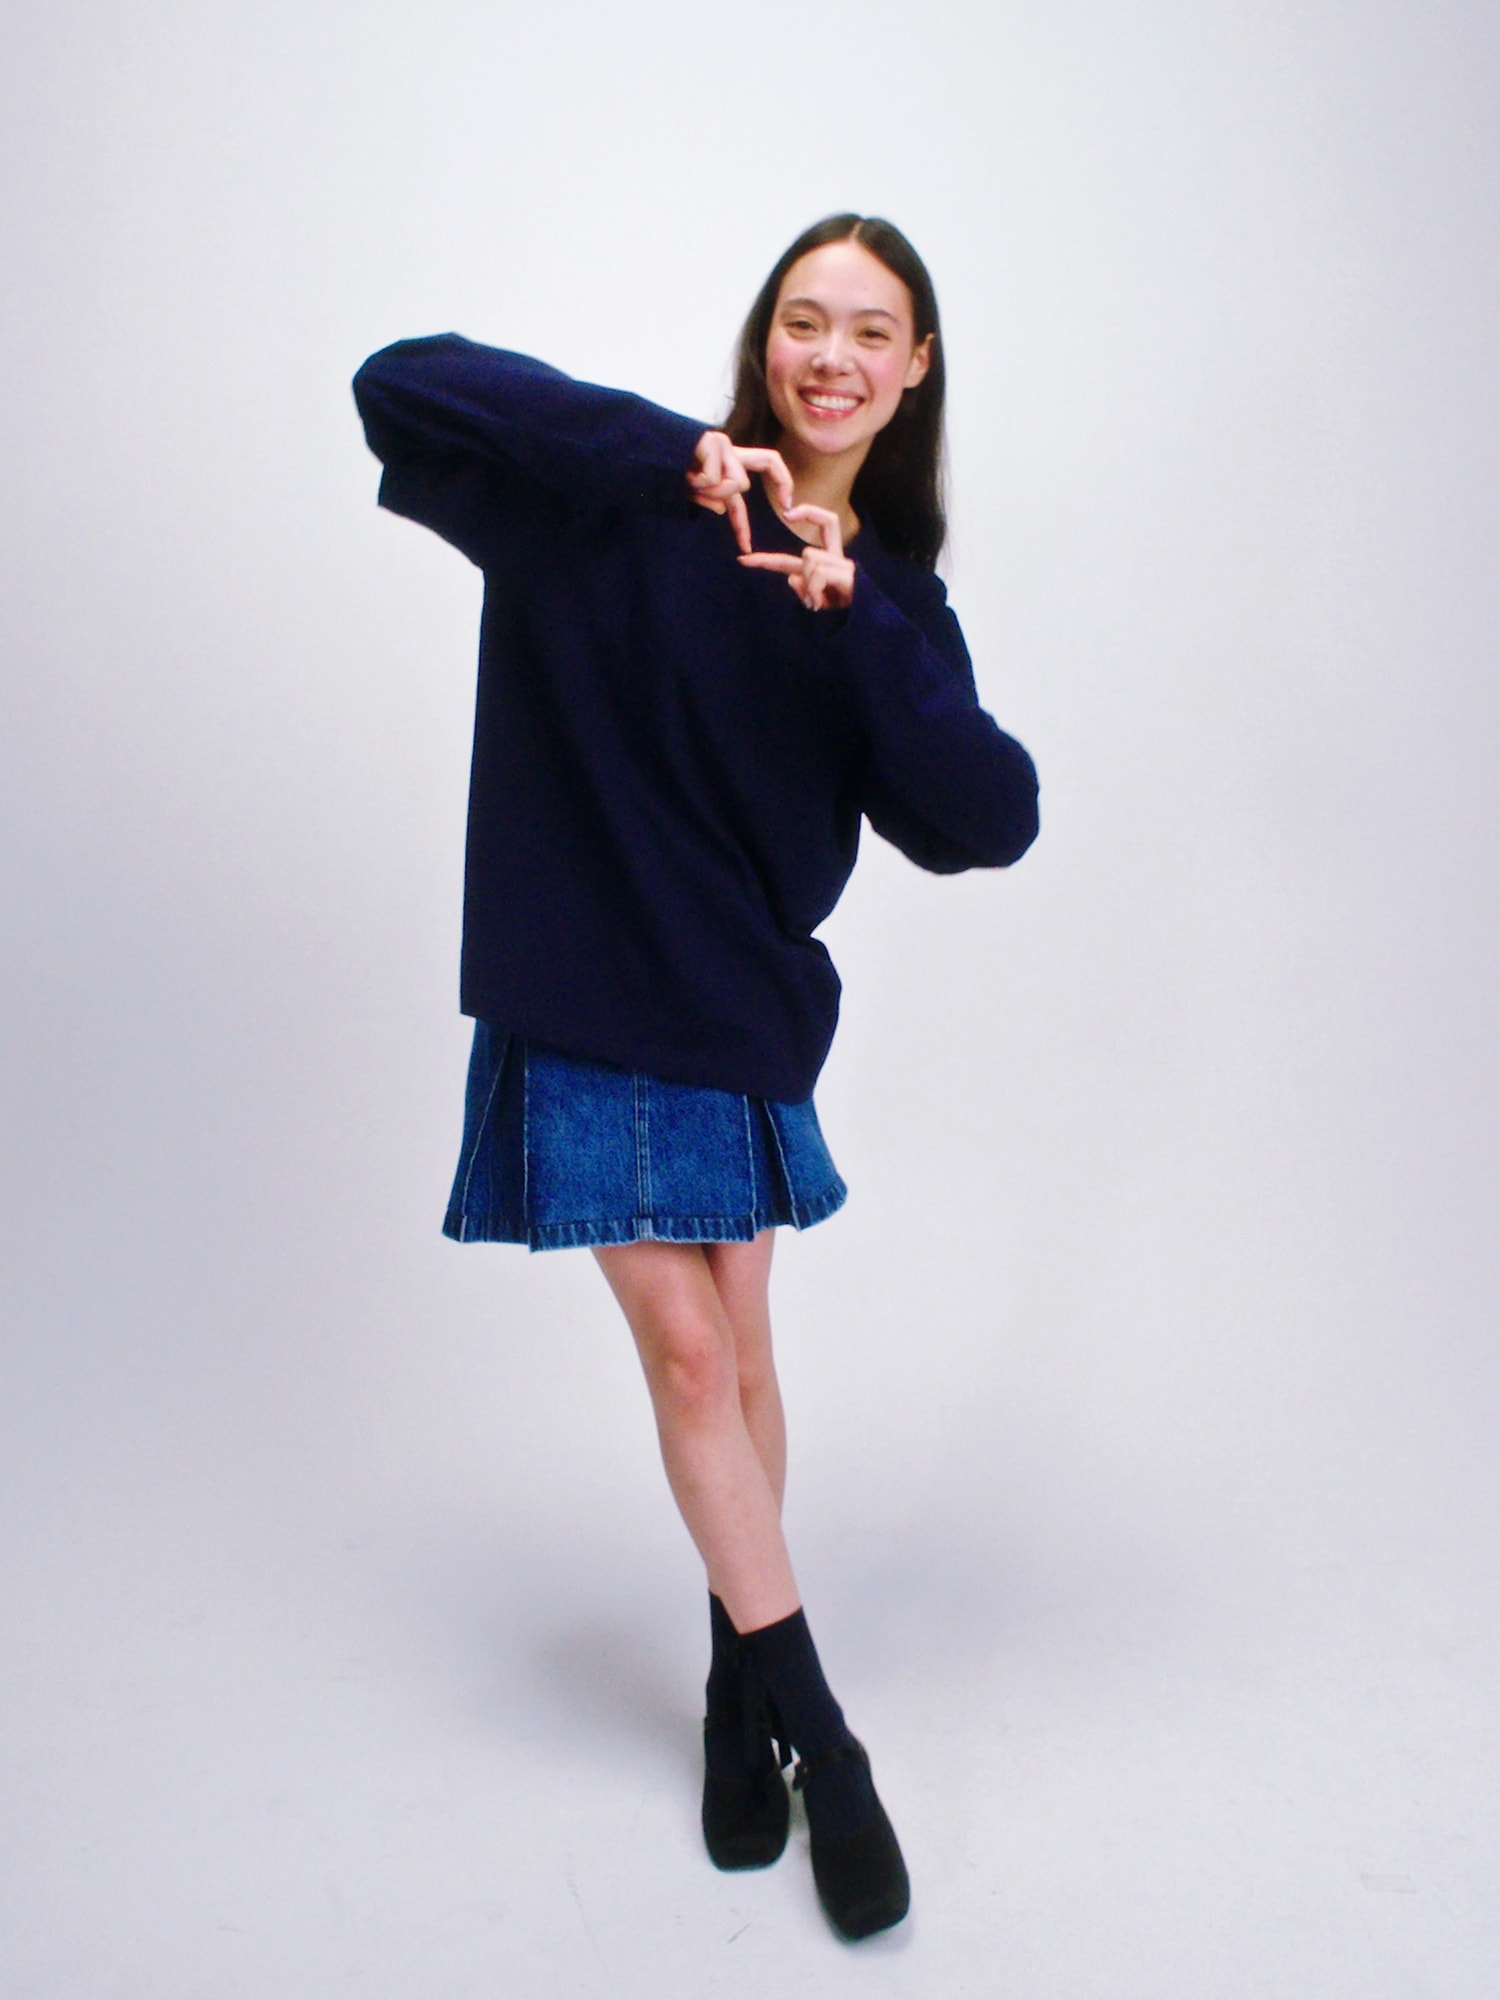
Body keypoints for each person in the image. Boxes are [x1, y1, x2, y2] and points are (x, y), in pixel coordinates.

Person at [352, 213, 1039, 1942]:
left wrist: (853, 615)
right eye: (805, 320)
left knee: (741, 1352)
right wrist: (674, 457)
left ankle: (739, 1702)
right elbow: (401, 388)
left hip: (738, 1006)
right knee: (687, 1354)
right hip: (589, 981)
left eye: (870, 331)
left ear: (917, 367)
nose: (832, 357)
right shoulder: (618, 500)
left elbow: (990, 819)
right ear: (763, 338)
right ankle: (826, 1742)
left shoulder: (887, 601)